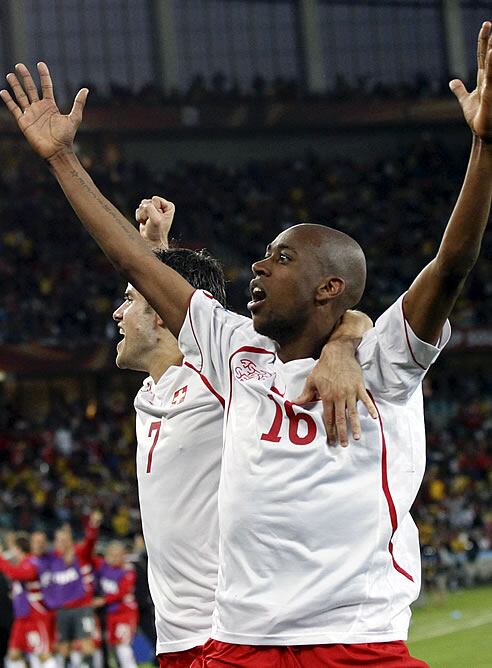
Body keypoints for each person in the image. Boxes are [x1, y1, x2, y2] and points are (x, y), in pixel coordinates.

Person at [5, 21, 492, 664]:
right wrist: (63, 160)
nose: (257, 267)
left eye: (281, 258)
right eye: (263, 255)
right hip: (241, 643)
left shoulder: (383, 361)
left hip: (354, 639)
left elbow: (450, 265)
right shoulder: (235, 350)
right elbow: (137, 265)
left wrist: (484, 143)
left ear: (329, 288)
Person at [38, 512, 102, 668]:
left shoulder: (79, 554)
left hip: (82, 608)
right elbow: (37, 556)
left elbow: (90, 542)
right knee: (63, 646)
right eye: (58, 540)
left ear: (69, 541)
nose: (60, 543)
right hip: (63, 610)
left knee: (87, 643)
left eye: (63, 540)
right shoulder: (52, 559)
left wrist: (93, 526)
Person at [0, 532, 56, 668]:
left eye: (12, 548)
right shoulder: (21, 563)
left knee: (42, 653)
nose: (10, 552)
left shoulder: (33, 562)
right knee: (13, 654)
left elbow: (17, 574)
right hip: (21, 617)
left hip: (35, 615)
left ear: (18, 549)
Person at [93, 542, 138, 668]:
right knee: (100, 645)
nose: (114, 558)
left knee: (122, 646)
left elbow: (122, 592)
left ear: (124, 555)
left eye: (117, 555)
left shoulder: (127, 571)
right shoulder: (102, 567)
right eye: (111, 555)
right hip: (108, 613)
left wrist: (103, 600)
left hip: (124, 613)